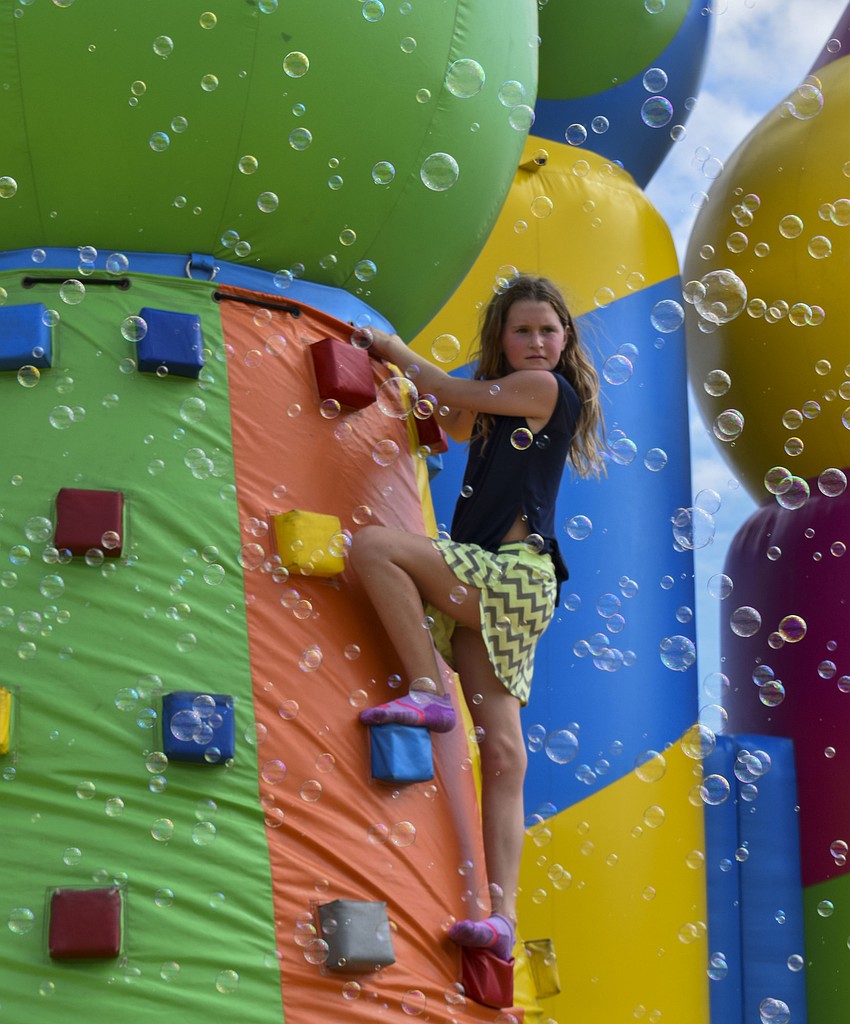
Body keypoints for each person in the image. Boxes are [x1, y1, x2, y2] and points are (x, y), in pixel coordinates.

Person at [350, 274, 606, 962]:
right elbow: (450, 422)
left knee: (375, 547)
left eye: (548, 331)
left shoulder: (546, 391)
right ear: (500, 339)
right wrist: (413, 395)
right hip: (496, 589)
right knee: (503, 754)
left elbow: (453, 394)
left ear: (565, 340)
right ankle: (502, 919)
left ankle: (427, 692)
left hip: (510, 574)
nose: (536, 342)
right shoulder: (506, 401)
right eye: (521, 330)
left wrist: (390, 350)